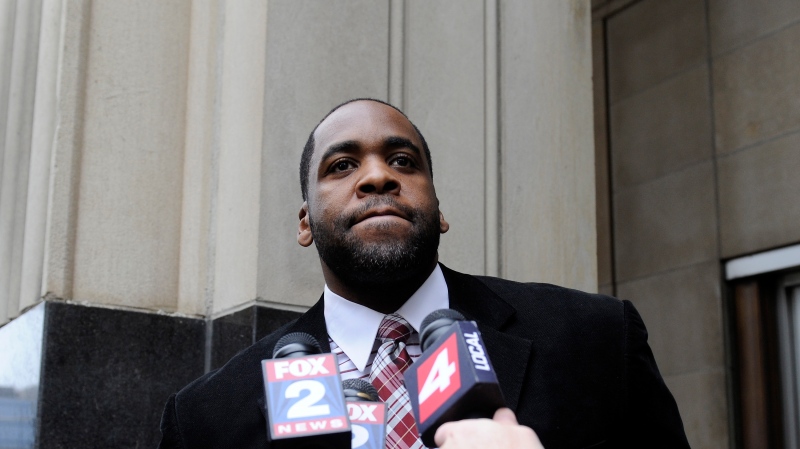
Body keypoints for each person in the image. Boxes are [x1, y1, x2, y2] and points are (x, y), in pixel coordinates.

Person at [158, 99, 690, 449]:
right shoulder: (205, 420)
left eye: (403, 161)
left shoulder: (595, 338)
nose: (377, 175)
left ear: (438, 211)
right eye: (342, 165)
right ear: (305, 223)